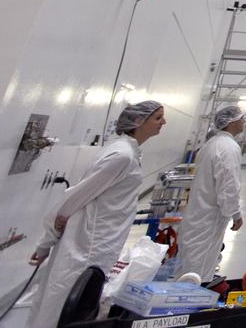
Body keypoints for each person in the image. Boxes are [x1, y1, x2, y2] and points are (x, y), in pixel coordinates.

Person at [27, 101, 165, 328]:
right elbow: (76, 197)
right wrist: (46, 242)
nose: (164, 122)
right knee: (65, 303)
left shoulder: (128, 152)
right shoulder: (122, 156)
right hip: (87, 245)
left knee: (75, 302)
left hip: (98, 242)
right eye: (158, 118)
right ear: (138, 122)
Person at [175, 105, 245, 280]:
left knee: (191, 263)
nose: (244, 121)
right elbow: (229, 185)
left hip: (198, 213)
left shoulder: (212, 143)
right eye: (241, 118)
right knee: (199, 270)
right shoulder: (229, 147)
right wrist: (236, 214)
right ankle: (189, 303)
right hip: (209, 217)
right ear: (232, 122)